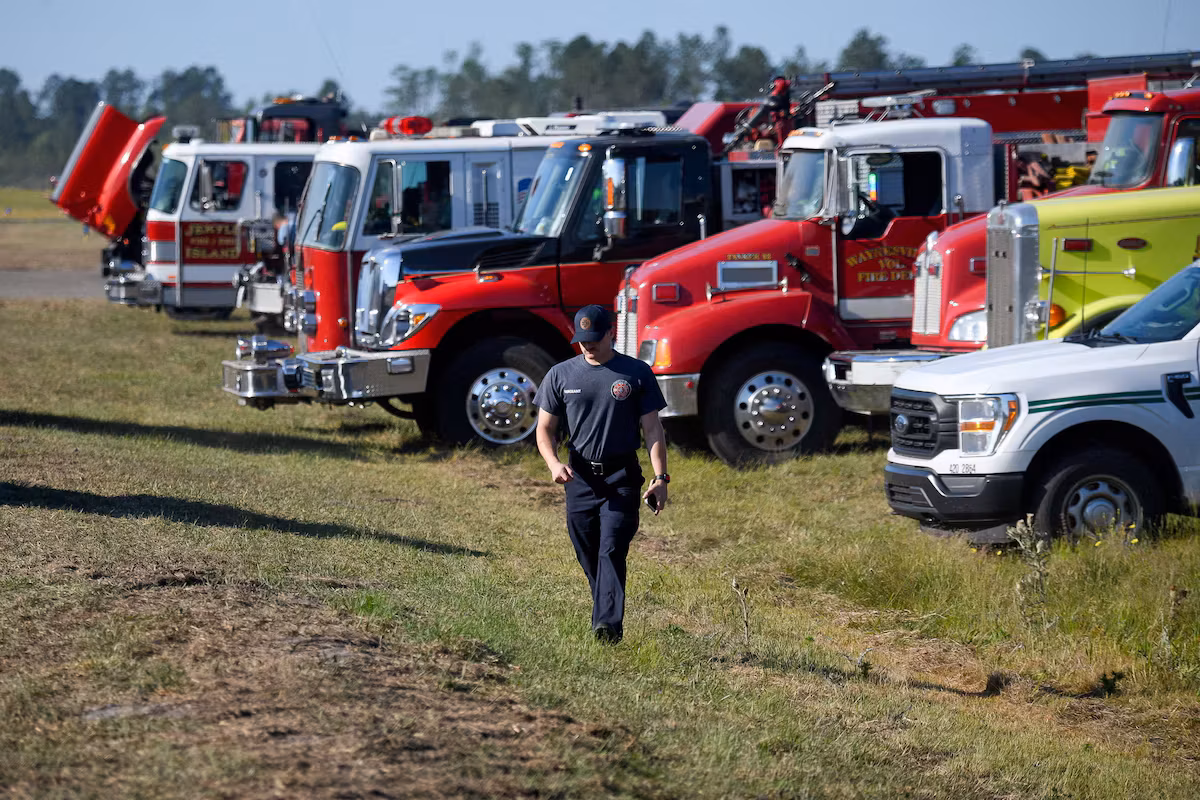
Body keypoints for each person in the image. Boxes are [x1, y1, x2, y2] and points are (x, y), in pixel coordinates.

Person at [535, 305, 669, 645]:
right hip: (579, 478)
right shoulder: (560, 375)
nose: (588, 346)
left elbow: (653, 429)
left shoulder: (636, 373)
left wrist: (661, 478)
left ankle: (607, 627)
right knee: (588, 552)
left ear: (611, 332)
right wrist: (553, 464)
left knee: (611, 548)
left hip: (622, 478)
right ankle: (605, 608)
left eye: (594, 338)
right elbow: (544, 429)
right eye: (582, 340)